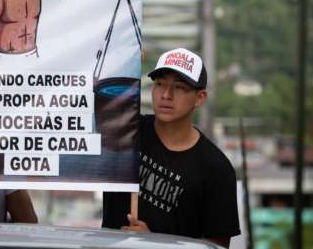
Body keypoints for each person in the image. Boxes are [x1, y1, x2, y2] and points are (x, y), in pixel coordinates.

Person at [102, 48, 240, 248]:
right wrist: (121, 65)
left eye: (179, 87)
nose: (166, 95)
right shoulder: (127, 132)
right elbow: (92, 104)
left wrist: (153, 244)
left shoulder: (217, 169)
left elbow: (217, 245)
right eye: (160, 84)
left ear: (200, 97)